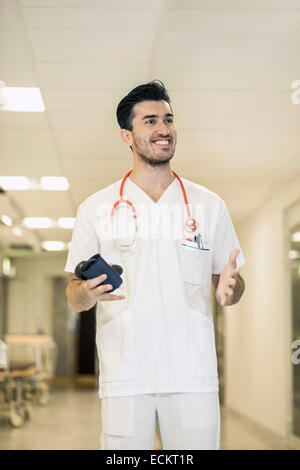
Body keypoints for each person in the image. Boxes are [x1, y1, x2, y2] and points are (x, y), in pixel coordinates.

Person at [65, 80, 246, 450]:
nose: (163, 129)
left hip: (192, 377)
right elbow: (73, 295)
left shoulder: (208, 205)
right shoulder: (96, 208)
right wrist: (84, 291)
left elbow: (230, 283)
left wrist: (232, 287)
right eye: (150, 121)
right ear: (126, 136)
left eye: (168, 119)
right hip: (126, 377)